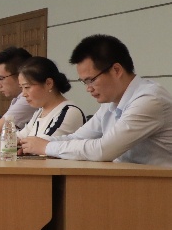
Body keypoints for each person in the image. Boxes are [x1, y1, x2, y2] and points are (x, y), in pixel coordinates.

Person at [20, 35, 172, 166]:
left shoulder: (150, 100)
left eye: (91, 80)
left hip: (159, 186)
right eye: (84, 82)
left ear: (116, 70)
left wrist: (46, 147)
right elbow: (77, 137)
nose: (88, 88)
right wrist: (31, 144)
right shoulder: (111, 102)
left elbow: (103, 150)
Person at [15, 57, 85, 140]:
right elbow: (18, 138)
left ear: (48, 83)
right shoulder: (40, 112)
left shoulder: (69, 112)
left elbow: (43, 144)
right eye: (21, 88)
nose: (24, 94)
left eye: (27, 87)